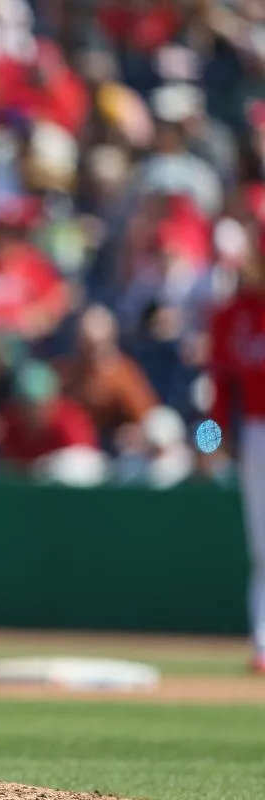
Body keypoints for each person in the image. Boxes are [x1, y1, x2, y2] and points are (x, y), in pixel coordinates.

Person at [208, 251, 265, 675]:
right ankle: (262, 642)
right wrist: (209, 443)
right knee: (262, 545)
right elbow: (218, 389)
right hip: (255, 433)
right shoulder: (231, 314)